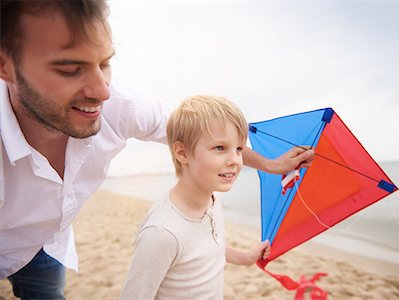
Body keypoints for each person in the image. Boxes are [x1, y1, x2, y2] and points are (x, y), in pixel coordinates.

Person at [0, 1, 314, 299]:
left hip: (49, 243)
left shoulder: (125, 105)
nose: (103, 91)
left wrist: (271, 166)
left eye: (105, 63)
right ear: (6, 65)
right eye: (69, 69)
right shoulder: (162, 232)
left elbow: (201, 136)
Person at [120, 95, 271, 299]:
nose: (235, 160)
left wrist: (246, 258)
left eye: (238, 149)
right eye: (220, 148)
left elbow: (206, 249)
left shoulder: (213, 199)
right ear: (182, 153)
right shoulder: (162, 233)